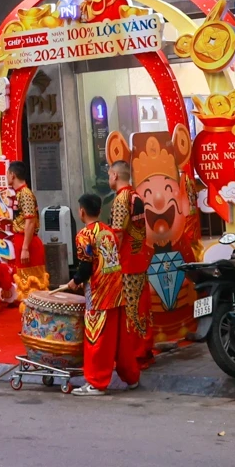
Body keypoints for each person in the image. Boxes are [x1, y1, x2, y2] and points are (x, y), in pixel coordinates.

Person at [70, 191, 140, 395]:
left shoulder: (84, 235)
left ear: (81, 212)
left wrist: (75, 282)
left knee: (96, 337)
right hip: (117, 291)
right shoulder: (108, 231)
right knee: (120, 340)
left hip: (99, 293)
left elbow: (85, 267)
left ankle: (96, 382)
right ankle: (131, 377)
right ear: (100, 210)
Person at [107, 159, 154, 364]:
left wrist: (108, 263)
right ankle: (144, 348)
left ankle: (134, 353)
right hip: (139, 259)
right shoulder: (136, 196)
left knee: (130, 308)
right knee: (141, 305)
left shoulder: (120, 199)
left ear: (115, 175)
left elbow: (117, 235)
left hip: (126, 262)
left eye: (109, 174)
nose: (109, 177)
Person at [8, 160, 48, 301]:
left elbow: (30, 221)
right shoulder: (19, 193)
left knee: (32, 285)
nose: (7, 177)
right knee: (24, 283)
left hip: (28, 243)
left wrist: (25, 247)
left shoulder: (24, 193)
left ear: (12, 175)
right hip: (22, 240)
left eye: (7, 174)